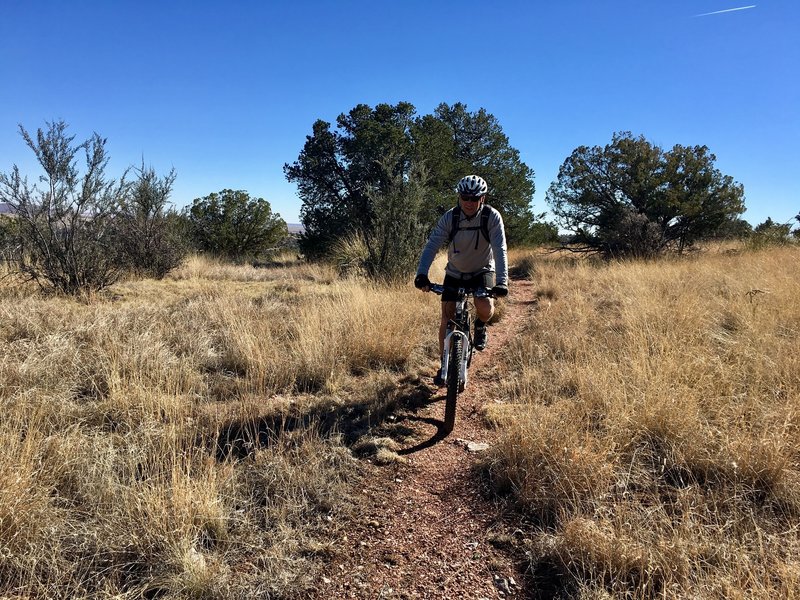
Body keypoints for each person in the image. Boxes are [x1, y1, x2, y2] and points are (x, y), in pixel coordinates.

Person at [414, 174, 509, 386]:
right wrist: (421, 274)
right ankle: (444, 364)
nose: (469, 202)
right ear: (459, 196)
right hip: (455, 272)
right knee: (447, 318)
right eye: (465, 197)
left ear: (482, 199)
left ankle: (480, 325)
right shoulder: (451, 217)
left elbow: (499, 249)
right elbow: (432, 245)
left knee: (484, 307)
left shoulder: (491, 217)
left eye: (474, 198)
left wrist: (502, 282)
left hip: (482, 270)